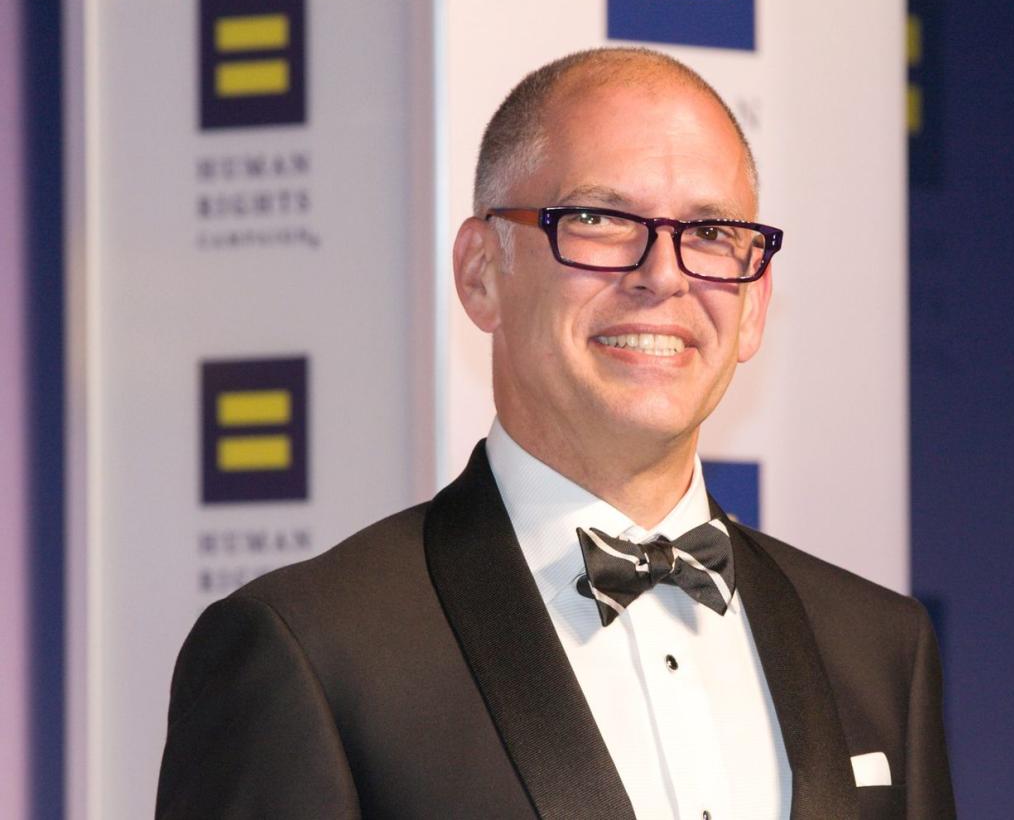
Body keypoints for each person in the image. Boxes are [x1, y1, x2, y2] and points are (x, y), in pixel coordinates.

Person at [156, 47, 954, 819]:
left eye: (710, 234)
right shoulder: (314, 653)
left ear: (756, 305)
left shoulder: (878, 646)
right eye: (601, 219)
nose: (665, 275)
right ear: (481, 272)